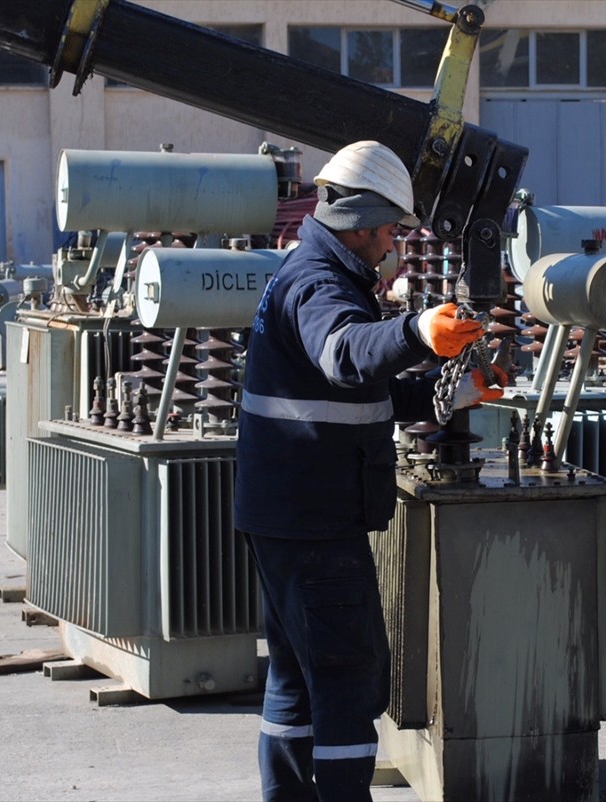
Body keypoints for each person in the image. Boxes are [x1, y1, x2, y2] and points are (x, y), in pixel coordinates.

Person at [235, 140, 505, 802]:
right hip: (314, 521)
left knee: (297, 678)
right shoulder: (319, 285)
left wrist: (453, 395)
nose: (392, 244)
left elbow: (355, 395)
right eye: (388, 230)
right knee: (346, 679)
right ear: (359, 221)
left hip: (287, 515)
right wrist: (416, 332)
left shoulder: (309, 272)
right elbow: (345, 355)